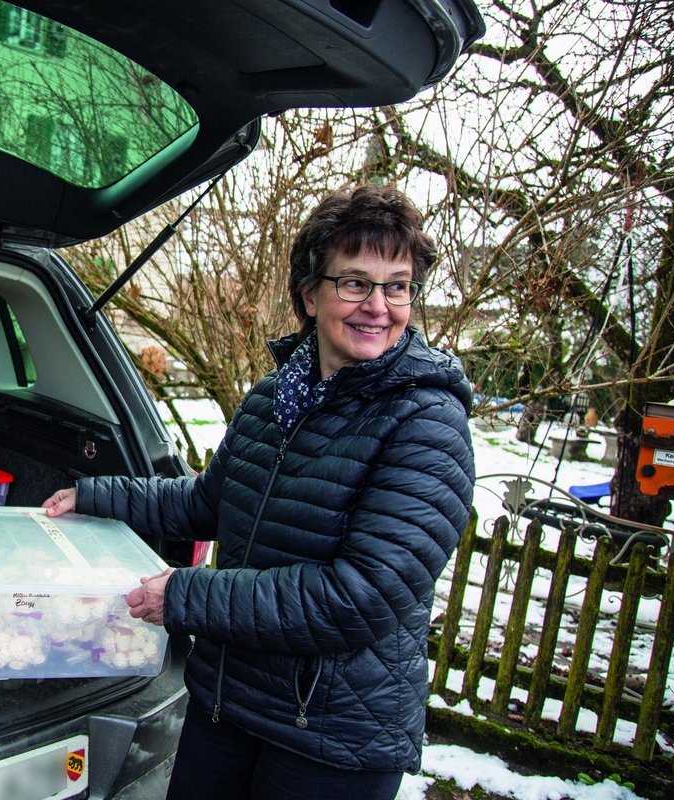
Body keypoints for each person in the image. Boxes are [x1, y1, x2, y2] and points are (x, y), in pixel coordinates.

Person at [43, 184, 475, 799]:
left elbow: (359, 597)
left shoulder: (425, 423)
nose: (378, 305)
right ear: (309, 294)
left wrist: (188, 596)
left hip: (330, 733)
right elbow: (208, 503)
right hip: (231, 699)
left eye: (397, 285)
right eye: (355, 282)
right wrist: (97, 494)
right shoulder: (274, 399)